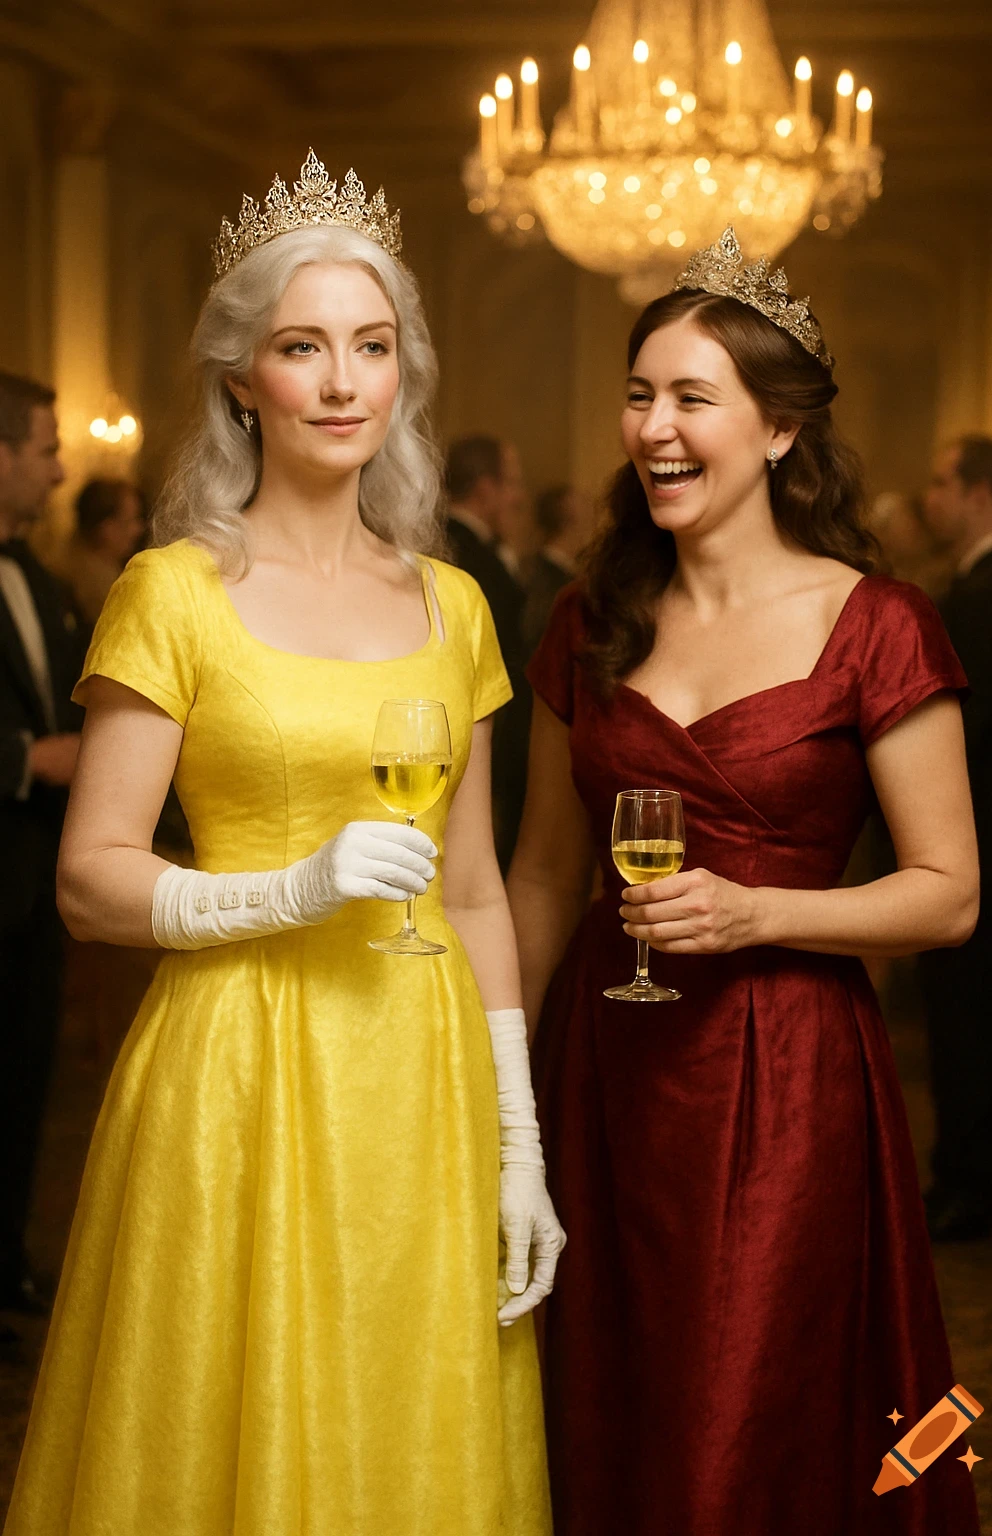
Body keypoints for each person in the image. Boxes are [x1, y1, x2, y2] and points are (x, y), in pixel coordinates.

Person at [5, 154, 562, 1536]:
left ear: (403, 374)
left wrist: (519, 1139)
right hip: (235, 1071)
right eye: (302, 347)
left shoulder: (453, 605)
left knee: (404, 1432)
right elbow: (90, 878)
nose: (340, 381)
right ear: (242, 376)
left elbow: (480, 889)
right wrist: (289, 887)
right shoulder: (174, 590)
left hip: (418, 1078)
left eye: (370, 348)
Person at [507, 230, 980, 1536]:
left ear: (777, 431)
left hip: (787, 1080)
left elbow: (949, 893)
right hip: (604, 1072)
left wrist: (758, 912)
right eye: (639, 395)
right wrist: (491, 1083)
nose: (654, 428)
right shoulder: (587, 620)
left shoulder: (876, 623)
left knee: (742, 1410)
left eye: (690, 399)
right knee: (607, 1402)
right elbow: (543, 877)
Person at [917, 434, 992, 1240]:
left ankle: (972, 1183)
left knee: (970, 1017)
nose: (929, 497)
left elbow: (970, 728)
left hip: (983, 839)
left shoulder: (990, 590)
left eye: (941, 482)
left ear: (980, 492)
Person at [0, 371, 85, 1343]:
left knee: (25, 1081)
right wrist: (27, 759)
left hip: (35, 885)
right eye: (46, 449)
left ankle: (7, 1255)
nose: (61, 470)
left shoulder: (38, 579)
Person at [445, 435, 530, 869]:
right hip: (482, 735)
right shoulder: (471, 560)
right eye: (511, 483)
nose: (518, 497)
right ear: (484, 489)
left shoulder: (452, 544)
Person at [59, 477, 145, 626]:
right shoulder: (97, 587)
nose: (138, 530)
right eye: (130, 521)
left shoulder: (108, 573)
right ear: (106, 529)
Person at [523, 484, 595, 656]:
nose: (592, 528)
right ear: (568, 525)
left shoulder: (537, 570)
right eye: (586, 519)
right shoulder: (551, 582)